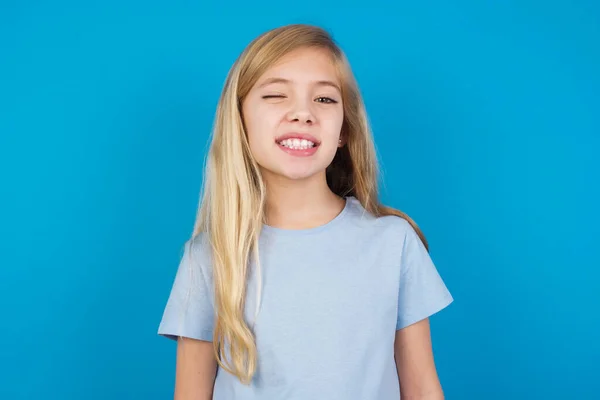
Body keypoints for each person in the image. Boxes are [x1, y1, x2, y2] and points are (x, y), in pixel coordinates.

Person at [158, 23, 453, 400]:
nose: (303, 113)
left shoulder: (394, 242)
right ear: (240, 120)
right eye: (277, 95)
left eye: (325, 99)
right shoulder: (209, 257)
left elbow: (423, 388)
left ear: (344, 129)